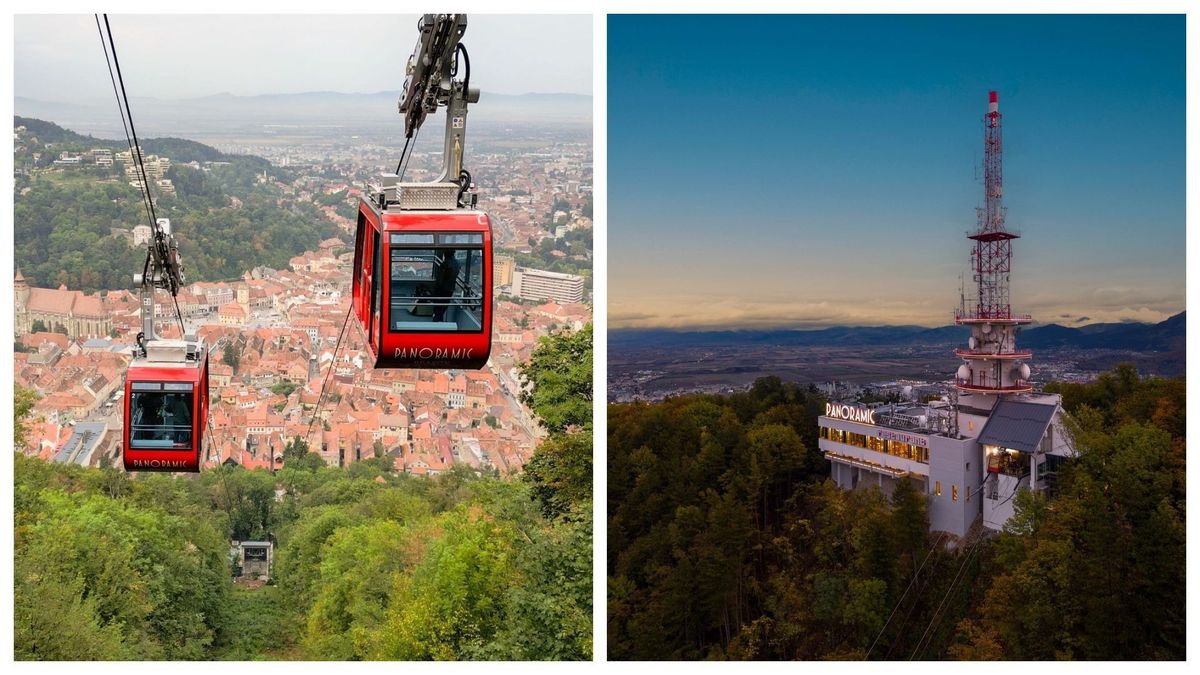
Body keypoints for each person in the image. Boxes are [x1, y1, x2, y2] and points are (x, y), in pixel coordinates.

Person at [431, 249, 460, 322]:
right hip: (450, 289)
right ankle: (440, 324)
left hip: (442, 289)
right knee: (443, 308)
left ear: (446, 254)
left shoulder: (445, 264)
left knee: (438, 309)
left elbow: (440, 280)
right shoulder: (457, 263)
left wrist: (435, 290)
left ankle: (436, 324)